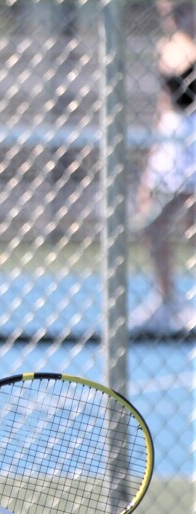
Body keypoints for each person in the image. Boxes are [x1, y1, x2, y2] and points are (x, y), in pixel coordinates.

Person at [132, 2, 196, 332]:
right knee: (151, 223)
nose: (175, 19)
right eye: (169, 13)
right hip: (173, 141)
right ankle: (166, 299)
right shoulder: (167, 47)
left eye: (183, 10)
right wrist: (151, 164)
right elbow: (164, 106)